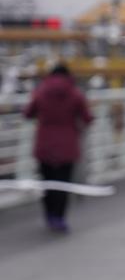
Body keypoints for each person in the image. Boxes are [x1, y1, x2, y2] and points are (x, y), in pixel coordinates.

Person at [23, 65, 93, 232]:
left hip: (44, 143)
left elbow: (28, 113)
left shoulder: (40, 92)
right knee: (63, 183)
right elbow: (87, 118)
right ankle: (59, 217)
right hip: (67, 144)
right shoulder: (75, 94)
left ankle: (49, 214)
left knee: (47, 182)